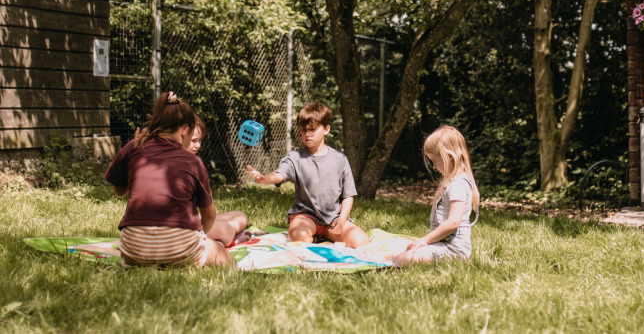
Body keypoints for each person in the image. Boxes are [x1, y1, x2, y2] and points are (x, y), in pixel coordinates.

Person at [104, 91, 235, 268]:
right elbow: (209, 215)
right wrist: (200, 236)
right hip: (180, 251)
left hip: (134, 252)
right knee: (226, 259)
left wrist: (133, 164)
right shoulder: (193, 161)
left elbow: (119, 191)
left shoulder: (134, 146)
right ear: (185, 130)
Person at [246, 103, 370, 248]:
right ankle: (313, 237)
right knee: (299, 237)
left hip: (333, 218)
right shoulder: (295, 157)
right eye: (303, 130)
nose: (307, 134)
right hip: (305, 217)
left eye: (312, 129)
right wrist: (264, 179)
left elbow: (348, 195)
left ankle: (321, 236)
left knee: (362, 241)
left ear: (326, 129)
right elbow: (279, 174)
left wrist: (341, 222)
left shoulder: (340, 159)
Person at [393, 125, 480, 266]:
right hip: (442, 244)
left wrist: (425, 240)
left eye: (434, 160)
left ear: (449, 157)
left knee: (404, 258)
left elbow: (453, 222)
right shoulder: (452, 182)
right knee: (398, 250)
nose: (434, 166)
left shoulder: (458, 184)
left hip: (454, 250)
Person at [188, 116, 250, 247]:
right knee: (225, 229)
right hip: (184, 228)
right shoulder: (188, 165)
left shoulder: (193, 163)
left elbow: (207, 213)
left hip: (196, 220)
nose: (198, 145)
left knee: (241, 216)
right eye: (193, 141)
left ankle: (226, 238)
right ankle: (228, 240)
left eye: (199, 140)